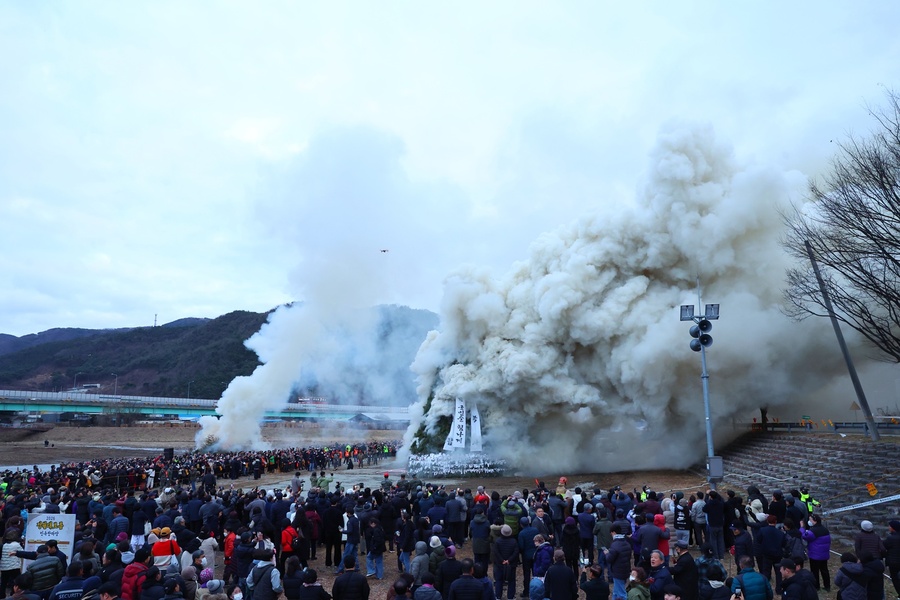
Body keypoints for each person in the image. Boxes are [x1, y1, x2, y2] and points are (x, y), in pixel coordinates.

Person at [799, 516, 830, 592]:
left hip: (815, 554)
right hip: (824, 554)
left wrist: (802, 528)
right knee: (824, 570)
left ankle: (816, 586)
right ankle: (827, 586)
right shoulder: (825, 530)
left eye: (810, 520)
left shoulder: (813, 531)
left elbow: (804, 536)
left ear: (814, 521)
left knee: (814, 571)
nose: (809, 521)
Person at [494, 525, 519, 600]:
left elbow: (496, 552)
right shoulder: (514, 541)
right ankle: (510, 597)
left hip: (500, 564)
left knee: (499, 580)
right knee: (511, 580)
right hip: (511, 564)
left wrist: (502, 560)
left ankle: (498, 596)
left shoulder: (498, 541)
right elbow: (516, 552)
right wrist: (509, 560)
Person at [885, 520, 900, 600]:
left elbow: (884, 546)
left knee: (895, 579)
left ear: (893, 528)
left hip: (893, 562)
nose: (888, 527)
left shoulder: (891, 538)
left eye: (890, 526)